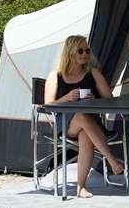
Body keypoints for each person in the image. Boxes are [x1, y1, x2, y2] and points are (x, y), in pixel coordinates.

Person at [45, 35, 124, 197]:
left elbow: (110, 100)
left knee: (86, 137)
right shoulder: (56, 76)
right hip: (66, 124)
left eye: (87, 50)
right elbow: (48, 105)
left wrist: (95, 99)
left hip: (92, 124)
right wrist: (66, 98)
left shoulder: (93, 73)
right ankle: (111, 160)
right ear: (70, 53)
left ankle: (81, 187)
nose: (85, 54)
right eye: (80, 51)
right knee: (81, 115)